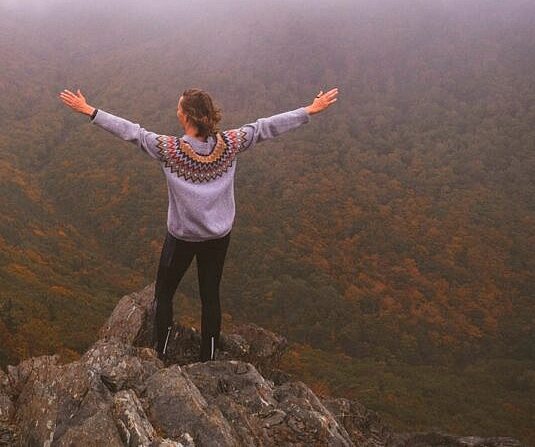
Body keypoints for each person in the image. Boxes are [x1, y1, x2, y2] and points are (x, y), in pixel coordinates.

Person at [59, 86, 338, 362]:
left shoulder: (170, 150)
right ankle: (209, 356)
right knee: (210, 296)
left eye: (179, 107)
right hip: (218, 238)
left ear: (187, 116)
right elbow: (266, 127)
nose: (176, 111)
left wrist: (90, 111)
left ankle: (162, 351)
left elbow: (132, 132)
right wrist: (309, 110)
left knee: (165, 294)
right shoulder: (230, 144)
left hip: (181, 237)